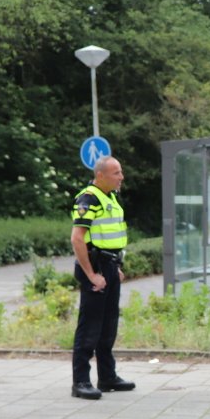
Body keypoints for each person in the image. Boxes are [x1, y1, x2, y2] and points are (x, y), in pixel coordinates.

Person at [69, 155, 136, 400]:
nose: (121, 177)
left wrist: (114, 266)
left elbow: (109, 237)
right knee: (90, 327)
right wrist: (91, 274)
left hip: (108, 266)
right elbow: (78, 239)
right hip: (94, 268)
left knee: (108, 326)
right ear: (100, 175)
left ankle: (107, 376)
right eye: (116, 173)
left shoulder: (111, 198)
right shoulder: (88, 198)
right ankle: (81, 382)